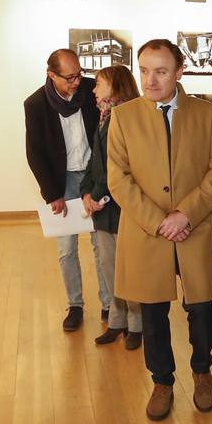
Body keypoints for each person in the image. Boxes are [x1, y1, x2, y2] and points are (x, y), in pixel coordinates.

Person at [108, 39, 212, 421]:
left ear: (180, 72)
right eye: (144, 70)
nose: (150, 79)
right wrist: (158, 220)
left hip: (193, 229)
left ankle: (202, 371)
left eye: (161, 71)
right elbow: (118, 177)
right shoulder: (124, 116)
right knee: (153, 310)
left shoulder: (206, 112)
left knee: (201, 307)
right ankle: (162, 381)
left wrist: (186, 213)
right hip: (148, 232)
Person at [23, 49, 103, 332]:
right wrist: (52, 194)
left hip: (94, 176)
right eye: (69, 77)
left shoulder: (93, 91)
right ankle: (76, 305)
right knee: (67, 248)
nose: (76, 82)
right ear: (51, 75)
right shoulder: (35, 104)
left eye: (79, 74)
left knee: (101, 243)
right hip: (63, 180)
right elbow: (35, 153)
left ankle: (108, 305)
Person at [81, 64, 143, 351]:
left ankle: (137, 324)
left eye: (98, 84)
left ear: (115, 87)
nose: (93, 90)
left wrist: (96, 193)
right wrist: (86, 193)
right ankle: (117, 321)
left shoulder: (131, 119)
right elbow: (95, 162)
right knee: (109, 267)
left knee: (129, 268)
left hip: (124, 207)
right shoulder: (105, 117)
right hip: (104, 209)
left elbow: (119, 165)